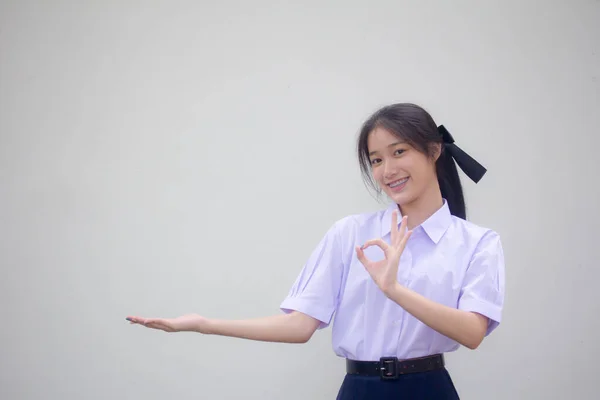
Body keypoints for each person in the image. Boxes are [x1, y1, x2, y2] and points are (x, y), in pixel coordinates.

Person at [126, 103, 505, 399]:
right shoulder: (350, 234)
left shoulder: (477, 243)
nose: (388, 169)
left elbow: (473, 332)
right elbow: (299, 325)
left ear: (434, 150)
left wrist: (395, 291)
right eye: (376, 160)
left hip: (429, 391)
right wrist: (203, 324)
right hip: (360, 392)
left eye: (399, 151)